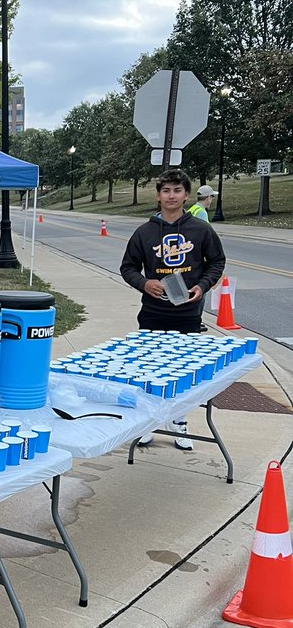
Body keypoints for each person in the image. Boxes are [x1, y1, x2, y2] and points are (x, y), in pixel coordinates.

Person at [119, 169, 226, 450]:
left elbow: (217, 262)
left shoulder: (201, 229)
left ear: (186, 195)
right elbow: (128, 267)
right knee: (149, 369)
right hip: (153, 312)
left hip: (188, 314)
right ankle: (149, 422)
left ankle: (178, 420)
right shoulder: (144, 233)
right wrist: (144, 283)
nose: (171, 196)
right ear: (158, 195)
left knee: (183, 371)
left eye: (177, 190)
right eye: (166, 190)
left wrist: (202, 285)